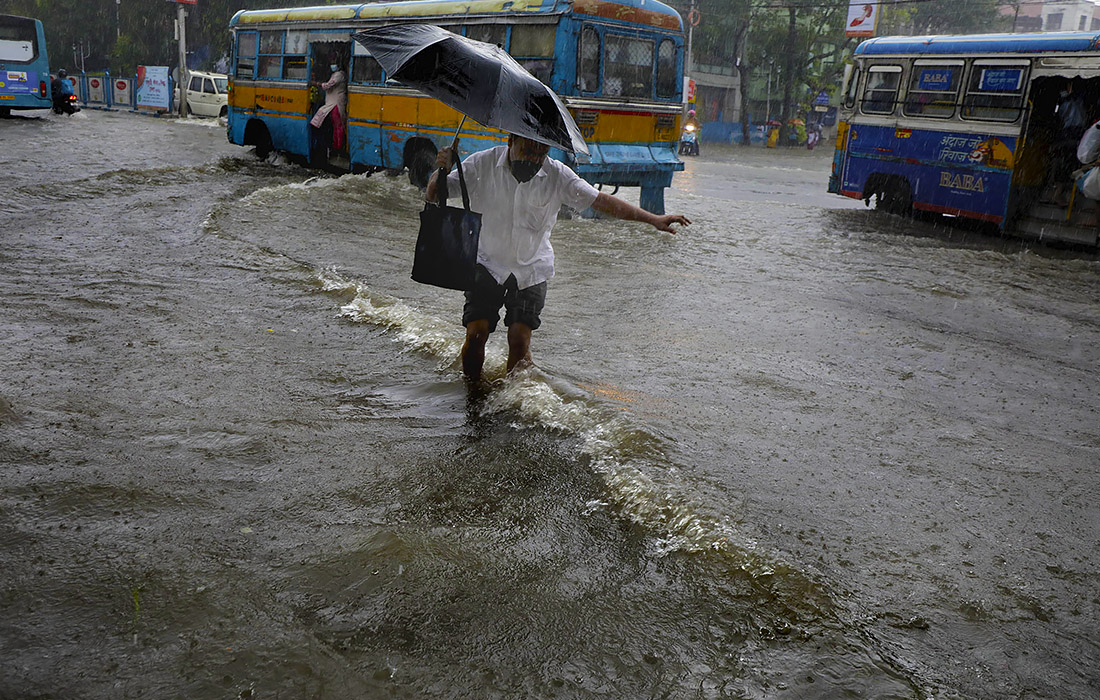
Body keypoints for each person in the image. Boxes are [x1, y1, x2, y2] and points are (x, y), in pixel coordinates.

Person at [426, 134, 691, 383]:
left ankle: (511, 401)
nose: (533, 159)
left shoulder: (557, 175)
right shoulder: (481, 164)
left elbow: (600, 201)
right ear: (511, 141)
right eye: (527, 151)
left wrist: (652, 219)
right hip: (486, 262)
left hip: (531, 268)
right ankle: (472, 394)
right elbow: (434, 194)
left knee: (519, 340)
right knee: (476, 334)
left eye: (540, 153)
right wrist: (442, 170)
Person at [1049, 80, 1087, 206]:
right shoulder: (1074, 102)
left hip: (1068, 135)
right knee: (1069, 164)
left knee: (1065, 163)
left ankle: (1059, 192)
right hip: (1073, 135)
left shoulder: (1066, 102)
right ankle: (1059, 193)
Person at [309, 53, 347, 160]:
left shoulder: (339, 75)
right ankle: (335, 147)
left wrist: (317, 84)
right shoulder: (337, 74)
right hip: (332, 103)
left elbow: (328, 85)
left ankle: (338, 148)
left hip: (335, 104)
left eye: (334, 62)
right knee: (336, 126)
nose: (332, 64)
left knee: (338, 126)